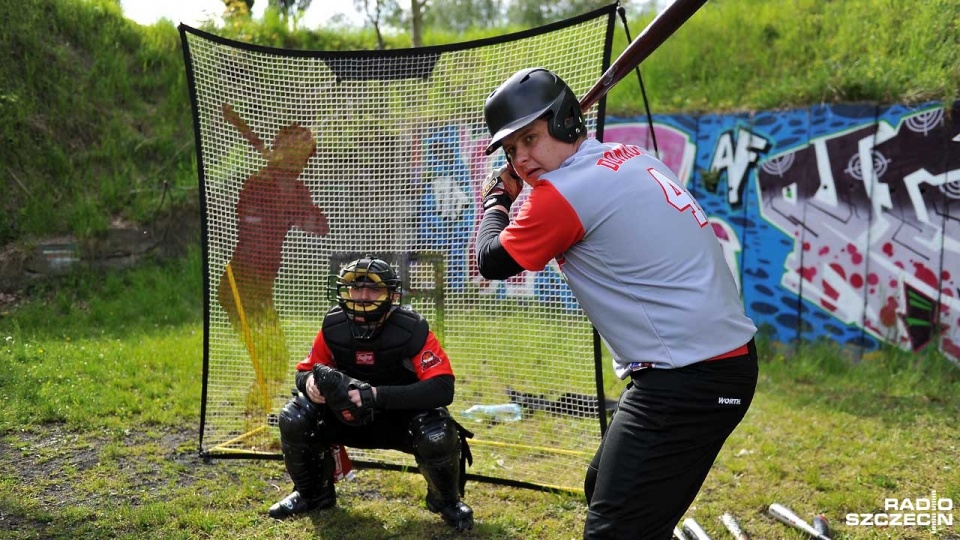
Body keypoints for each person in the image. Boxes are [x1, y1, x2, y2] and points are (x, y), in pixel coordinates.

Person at [475, 67, 759, 540]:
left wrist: (496, 198)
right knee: (604, 488)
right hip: (693, 368)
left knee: (614, 529)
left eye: (531, 138)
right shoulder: (625, 154)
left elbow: (490, 261)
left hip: (689, 378)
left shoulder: (563, 193)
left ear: (567, 123)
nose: (522, 158)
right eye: (511, 149)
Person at [268, 256, 475, 532]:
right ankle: (312, 494)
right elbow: (304, 372)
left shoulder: (413, 329)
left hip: (400, 422)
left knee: (438, 432)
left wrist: (376, 395)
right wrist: (309, 384)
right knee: (294, 415)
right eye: (356, 288)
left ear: (391, 294)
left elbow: (442, 388)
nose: (363, 296)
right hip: (346, 418)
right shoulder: (332, 325)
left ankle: (446, 501)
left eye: (373, 289)